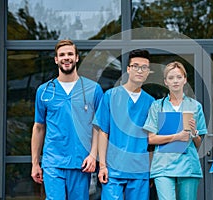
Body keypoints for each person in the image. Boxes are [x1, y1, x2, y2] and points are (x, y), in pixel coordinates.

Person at [31, 39, 103, 199]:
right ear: (56, 59)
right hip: (53, 162)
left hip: (81, 163)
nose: (66, 57)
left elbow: (99, 127)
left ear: (77, 57)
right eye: (62, 55)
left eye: (70, 54)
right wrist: (35, 163)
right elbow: (38, 128)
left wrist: (93, 155)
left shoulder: (93, 90)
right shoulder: (44, 91)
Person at [93, 49, 154, 200]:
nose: (140, 70)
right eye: (135, 66)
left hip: (140, 169)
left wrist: (152, 170)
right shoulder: (110, 96)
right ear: (128, 69)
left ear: (148, 72)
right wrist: (102, 166)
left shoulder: (151, 102)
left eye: (144, 67)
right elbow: (103, 132)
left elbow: (153, 139)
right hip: (113, 170)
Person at [143, 61, 208, 200]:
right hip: (163, 166)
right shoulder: (157, 106)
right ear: (165, 82)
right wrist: (177, 136)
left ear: (185, 79)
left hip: (188, 165)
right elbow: (151, 138)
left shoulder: (195, 106)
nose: (175, 81)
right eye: (171, 78)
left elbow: (198, 143)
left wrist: (194, 132)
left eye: (179, 77)